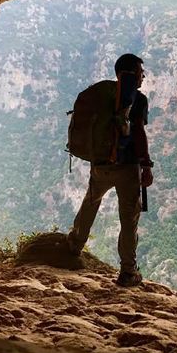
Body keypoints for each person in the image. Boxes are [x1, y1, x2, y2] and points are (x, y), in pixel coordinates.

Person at [67, 53, 154, 287]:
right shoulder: (139, 99)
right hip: (127, 167)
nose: (142, 77)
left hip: (101, 164)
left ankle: (73, 247)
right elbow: (138, 133)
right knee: (129, 218)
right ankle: (128, 271)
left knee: (90, 202)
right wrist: (146, 164)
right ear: (127, 74)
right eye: (139, 73)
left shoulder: (101, 95)